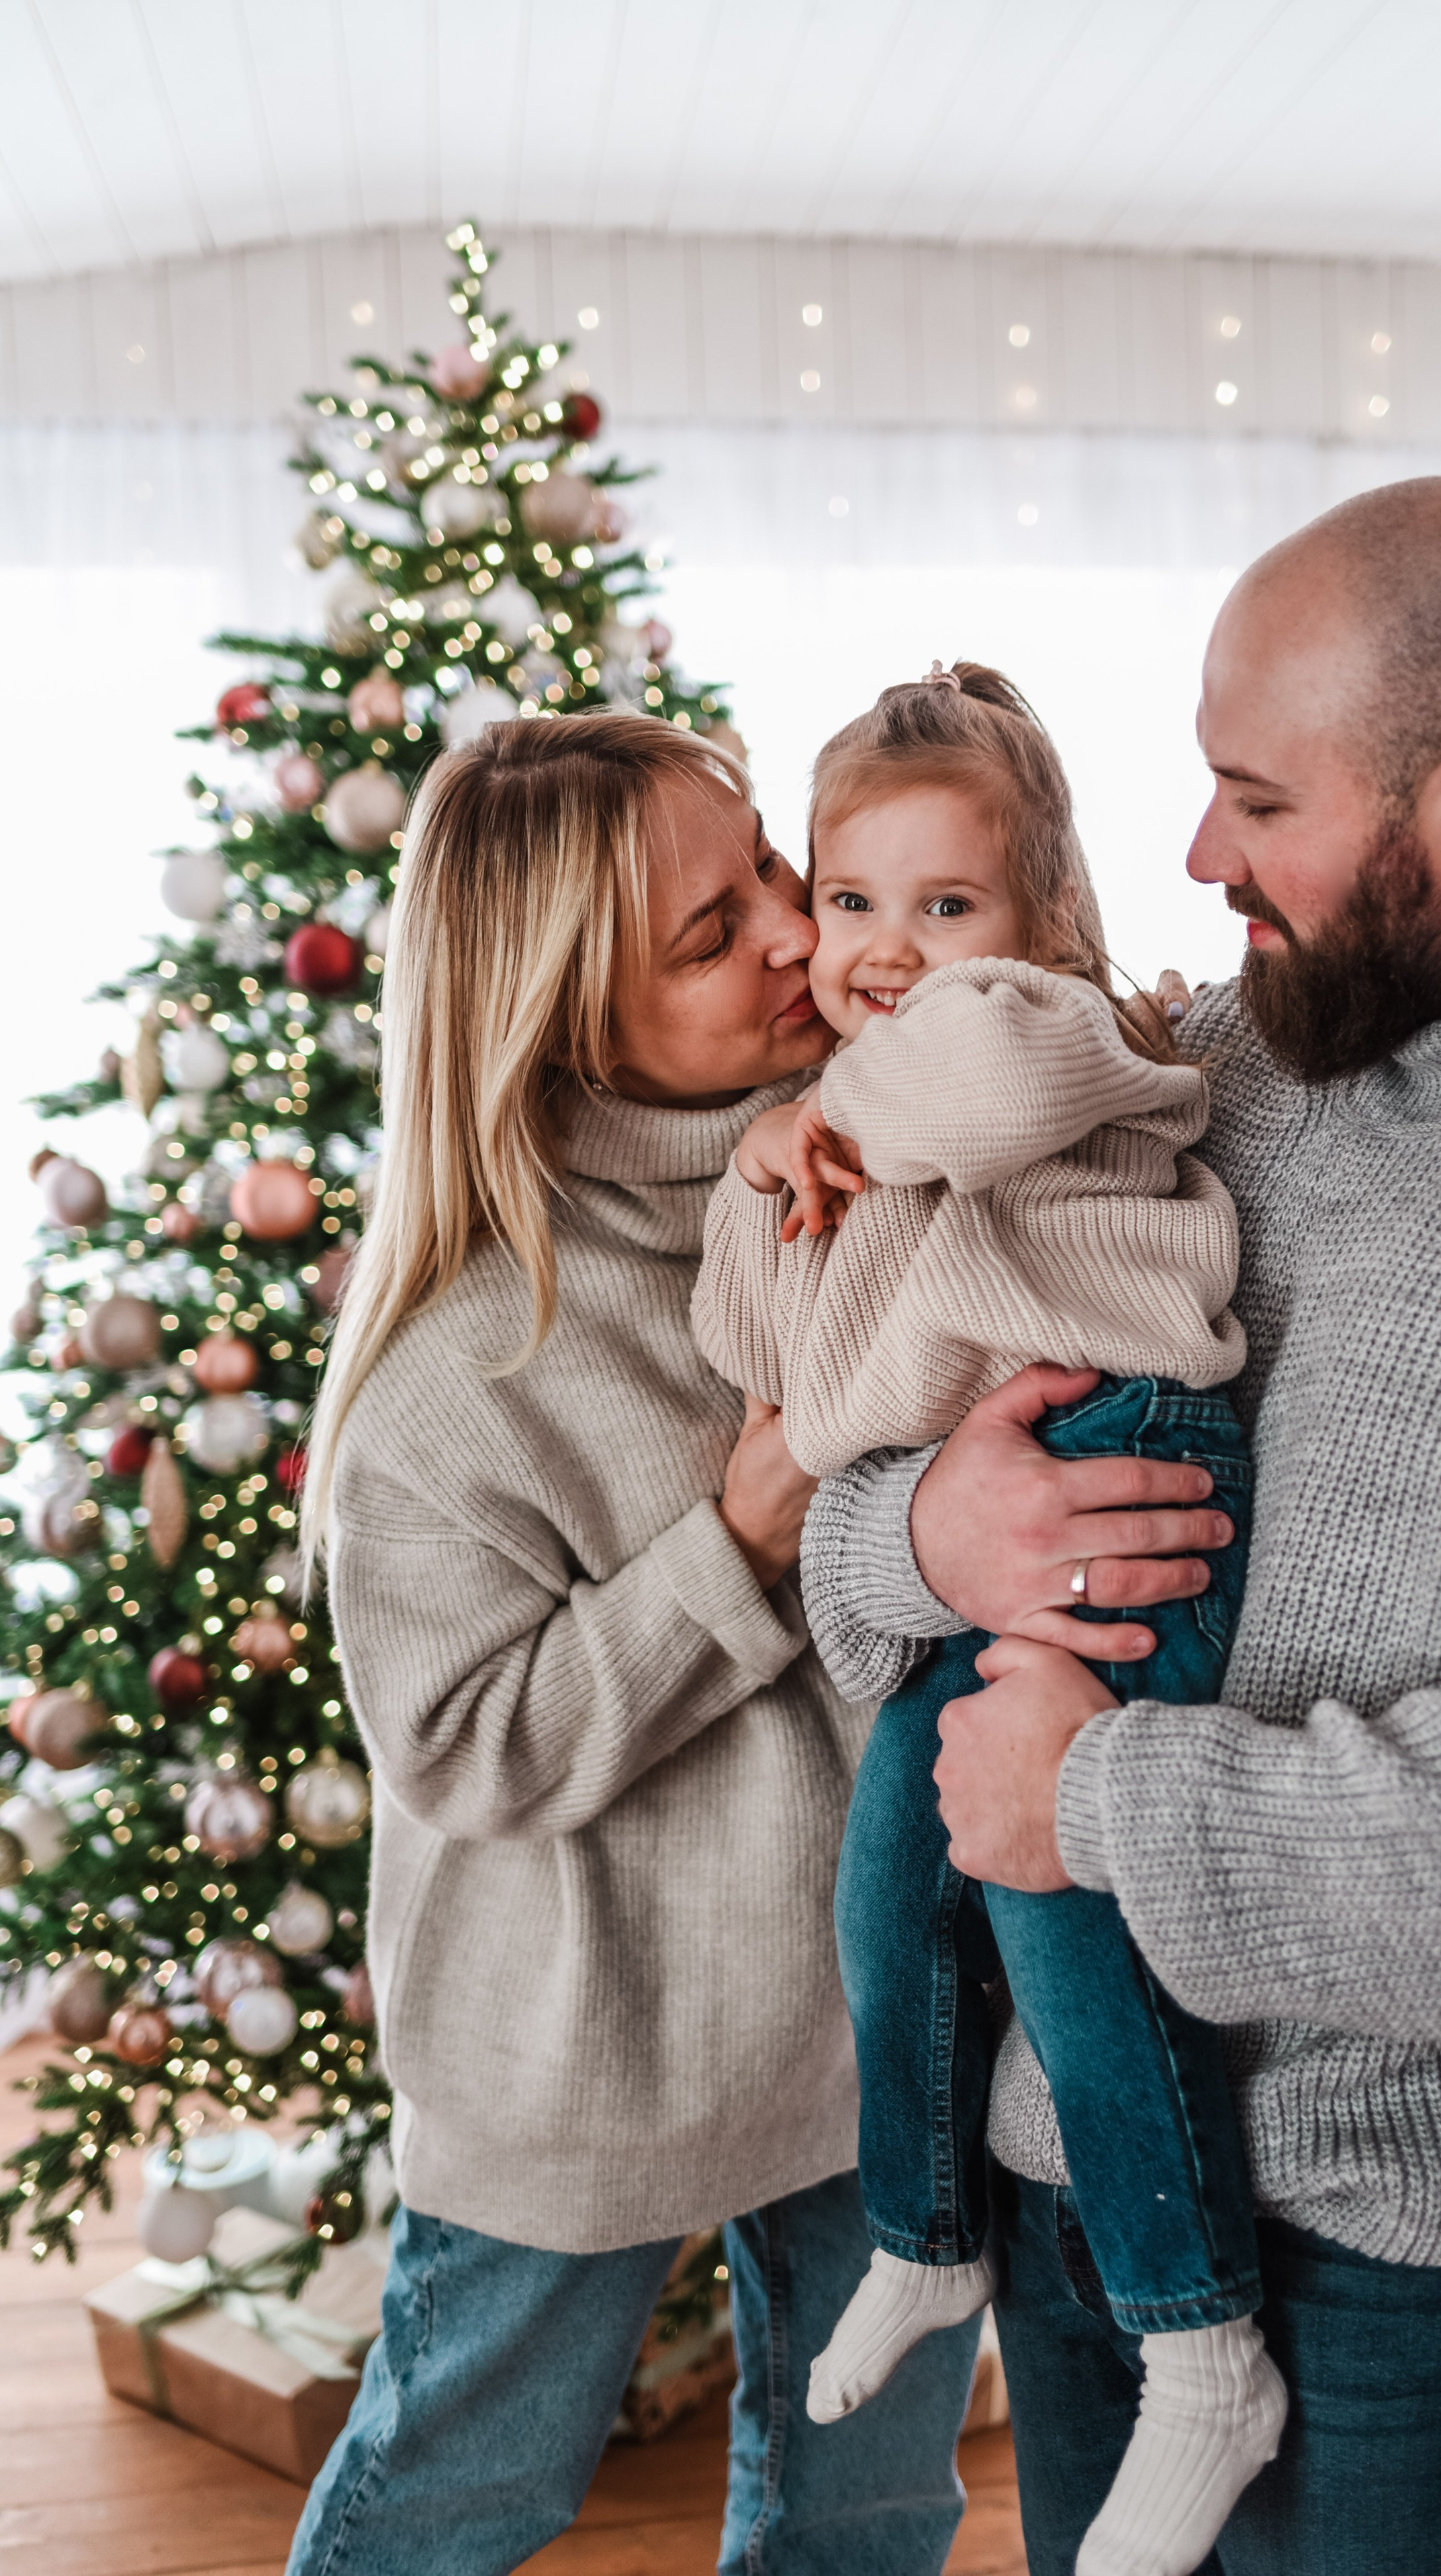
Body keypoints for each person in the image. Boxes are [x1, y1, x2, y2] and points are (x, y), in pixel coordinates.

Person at [799, 478, 1441, 2576]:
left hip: (1412, 2257)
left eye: (1255, 800)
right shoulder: (1192, 1067)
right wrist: (929, 1538)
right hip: (1067, 2190)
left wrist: (1101, 1800)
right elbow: (850, 1501)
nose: (1199, 859)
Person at [285, 715, 982, 2576]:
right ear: (572, 1019)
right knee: (459, 2492)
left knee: (872, 2501)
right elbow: (469, 1746)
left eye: (767, 867)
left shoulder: (882, 1177)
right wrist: (737, 1542)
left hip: (859, 2031)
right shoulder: (459, 1373)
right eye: (707, 930)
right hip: (572, 2054)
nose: (788, 930)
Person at [694, 662, 1284, 2576]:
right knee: (888, 1884)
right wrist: (766, 1165)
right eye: (852, 901)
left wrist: (834, 1099)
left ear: (1036, 916)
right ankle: (929, 2239)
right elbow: (761, 1350)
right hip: (976, 1496)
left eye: (948, 903)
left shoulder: (1046, 1031)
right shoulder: (836, 1129)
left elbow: (986, 1072)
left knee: (1060, 1905)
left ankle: (1201, 2345)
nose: (890, 950)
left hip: (1130, 1438)